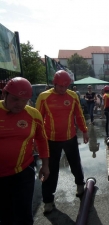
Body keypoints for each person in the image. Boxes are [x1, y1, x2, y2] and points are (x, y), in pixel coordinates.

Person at [36, 70, 89, 213]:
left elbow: (79, 114)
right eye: (60, 86)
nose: (63, 89)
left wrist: (84, 130)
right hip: (51, 140)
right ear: (54, 83)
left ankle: (80, 185)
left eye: (66, 86)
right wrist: (35, 139)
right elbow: (37, 120)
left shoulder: (72, 96)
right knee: (50, 170)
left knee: (75, 163)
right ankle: (48, 201)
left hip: (70, 138)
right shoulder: (44, 97)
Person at [0, 77, 50, 225]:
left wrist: (45, 165)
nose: (20, 104)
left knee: (24, 216)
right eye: (15, 99)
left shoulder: (33, 114)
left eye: (25, 100)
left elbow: (41, 139)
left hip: (23, 172)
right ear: (4, 94)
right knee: (5, 216)